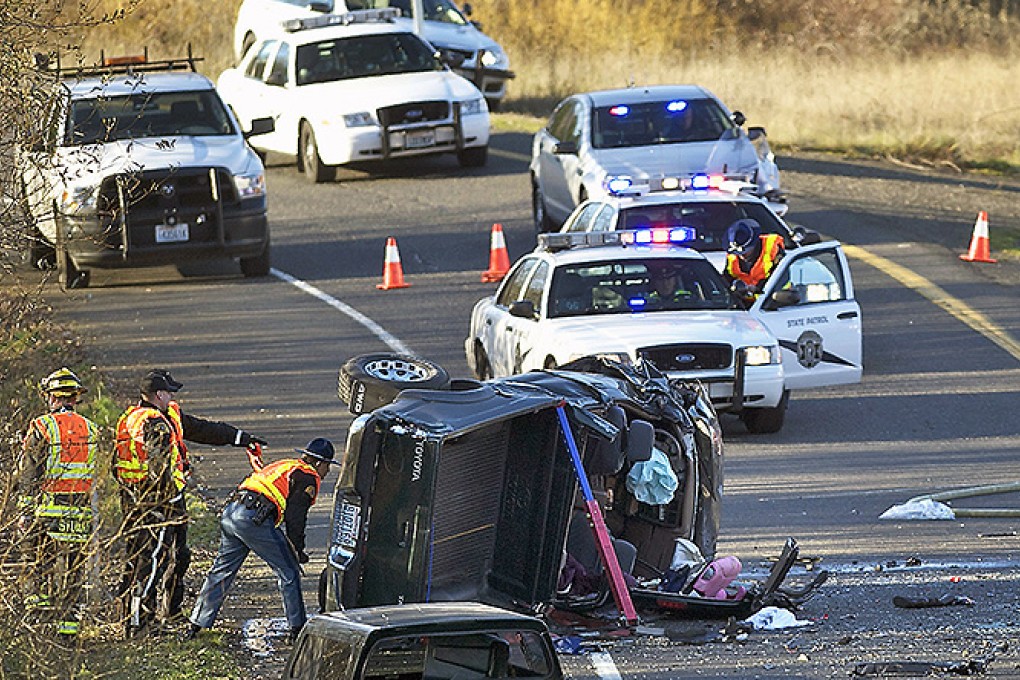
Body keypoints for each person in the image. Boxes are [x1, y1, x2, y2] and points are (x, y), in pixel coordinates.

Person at [114, 368, 267, 636]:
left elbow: (201, 429)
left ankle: (169, 611)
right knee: (150, 561)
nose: (173, 395)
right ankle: (139, 624)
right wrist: (162, 505)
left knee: (178, 555)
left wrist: (240, 437)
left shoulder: (161, 415)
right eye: (170, 391)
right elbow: (157, 467)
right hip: (154, 503)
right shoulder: (152, 423)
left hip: (154, 499)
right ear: (158, 394)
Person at [184, 438, 339, 642]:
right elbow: (296, 517)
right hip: (253, 519)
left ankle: (196, 623)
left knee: (222, 570)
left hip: (231, 512)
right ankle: (297, 628)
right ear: (319, 463)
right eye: (327, 466)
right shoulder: (307, 476)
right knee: (289, 571)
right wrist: (297, 550)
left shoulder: (286, 465)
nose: (327, 472)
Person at [16, 368, 99, 638]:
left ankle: (38, 626)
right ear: (75, 397)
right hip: (79, 513)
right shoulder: (90, 428)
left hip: (46, 512)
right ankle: (69, 629)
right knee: (73, 572)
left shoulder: (42, 427)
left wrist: (25, 513)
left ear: (50, 397)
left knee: (38, 564)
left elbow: (31, 473)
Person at [723, 218, 785, 297]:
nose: (742, 255)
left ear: (754, 244)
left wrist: (758, 288)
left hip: (774, 300)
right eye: (738, 253)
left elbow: (780, 277)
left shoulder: (772, 247)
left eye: (745, 251)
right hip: (743, 304)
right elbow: (726, 278)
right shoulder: (732, 256)